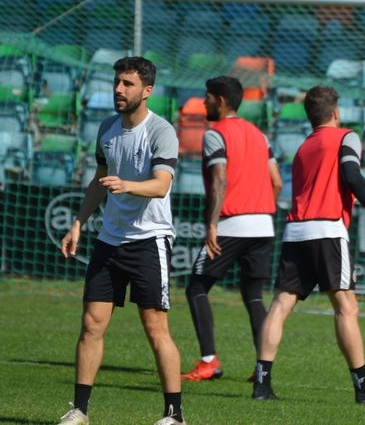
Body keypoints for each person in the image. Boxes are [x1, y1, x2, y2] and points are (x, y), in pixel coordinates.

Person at [251, 85, 365, 405]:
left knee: (280, 305)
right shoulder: (346, 136)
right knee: (346, 307)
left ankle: (262, 386)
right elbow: (351, 174)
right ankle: (363, 387)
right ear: (335, 113)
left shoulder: (304, 147)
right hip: (328, 230)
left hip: (295, 231)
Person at [59, 56, 186, 425]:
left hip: (150, 241)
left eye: (128, 84)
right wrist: (79, 222)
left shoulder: (161, 131)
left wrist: (127, 184)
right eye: (117, 82)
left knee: (155, 328)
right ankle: (79, 410)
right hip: (109, 240)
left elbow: (162, 185)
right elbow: (100, 177)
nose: (118, 89)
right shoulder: (107, 128)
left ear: (147, 91)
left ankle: (174, 415)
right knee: (91, 324)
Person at [182, 76, 283, 382]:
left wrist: (212, 224)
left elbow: (220, 180)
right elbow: (277, 182)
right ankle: (262, 368)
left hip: (231, 223)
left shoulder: (216, 134)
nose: (204, 102)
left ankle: (209, 361)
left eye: (208, 97)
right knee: (253, 295)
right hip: (263, 225)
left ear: (221, 101)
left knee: (196, 287)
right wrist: (260, 207)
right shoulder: (260, 135)